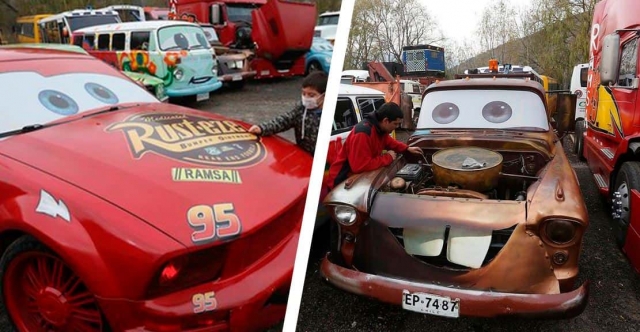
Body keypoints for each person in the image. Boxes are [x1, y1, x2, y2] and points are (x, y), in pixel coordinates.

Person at [325, 102, 423, 190]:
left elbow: (389, 142)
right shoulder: (363, 133)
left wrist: (407, 148)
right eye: (395, 124)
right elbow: (360, 166)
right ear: (385, 121)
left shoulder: (380, 129)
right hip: (341, 182)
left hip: (358, 178)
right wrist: (388, 157)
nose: (397, 127)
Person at [248, 71, 326, 155]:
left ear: (324, 95)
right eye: (304, 94)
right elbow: (283, 121)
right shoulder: (300, 110)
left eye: (311, 95)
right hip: (303, 156)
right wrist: (262, 128)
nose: (306, 98)